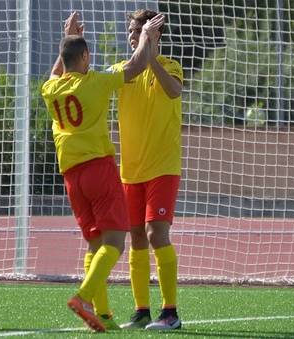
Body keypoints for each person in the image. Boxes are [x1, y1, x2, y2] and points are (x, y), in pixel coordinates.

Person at [41, 12, 162, 332]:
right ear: (83, 57)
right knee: (114, 243)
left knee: (94, 244)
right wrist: (148, 36)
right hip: (98, 169)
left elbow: (58, 69)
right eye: (87, 55)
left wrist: (67, 37)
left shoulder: (49, 89)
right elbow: (136, 67)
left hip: (70, 176)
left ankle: (104, 314)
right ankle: (84, 296)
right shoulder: (94, 81)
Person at [109, 9, 184, 330]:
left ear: (153, 35)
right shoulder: (122, 70)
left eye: (138, 29)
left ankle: (170, 312)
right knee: (137, 237)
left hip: (162, 167)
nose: (131, 34)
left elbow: (174, 91)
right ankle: (141, 311)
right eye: (130, 29)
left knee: (156, 233)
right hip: (131, 171)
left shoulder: (169, 66)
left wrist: (150, 53)